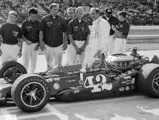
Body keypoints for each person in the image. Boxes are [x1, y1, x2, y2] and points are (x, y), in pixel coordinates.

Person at [80, 8, 110, 73]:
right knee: (87, 65)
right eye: (91, 14)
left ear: (98, 13)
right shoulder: (95, 22)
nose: (92, 15)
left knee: (97, 67)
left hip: (98, 49)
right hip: (92, 47)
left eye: (93, 14)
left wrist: (100, 50)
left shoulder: (103, 22)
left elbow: (104, 37)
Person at [39, 3, 67, 69]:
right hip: (48, 45)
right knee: (49, 64)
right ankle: (50, 77)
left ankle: (58, 77)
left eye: (57, 9)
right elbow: (41, 32)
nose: (56, 11)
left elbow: (65, 32)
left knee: (58, 64)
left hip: (59, 45)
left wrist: (65, 42)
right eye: (54, 9)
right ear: (50, 9)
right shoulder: (44, 19)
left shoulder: (61, 19)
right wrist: (41, 43)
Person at [21, 7, 40, 73]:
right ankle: (24, 75)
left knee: (33, 62)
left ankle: (31, 75)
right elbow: (22, 35)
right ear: (29, 15)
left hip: (35, 45)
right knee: (25, 62)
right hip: (26, 44)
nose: (33, 18)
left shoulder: (39, 23)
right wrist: (26, 41)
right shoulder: (24, 23)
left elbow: (41, 35)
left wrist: (38, 45)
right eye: (32, 17)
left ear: (37, 15)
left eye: (35, 17)